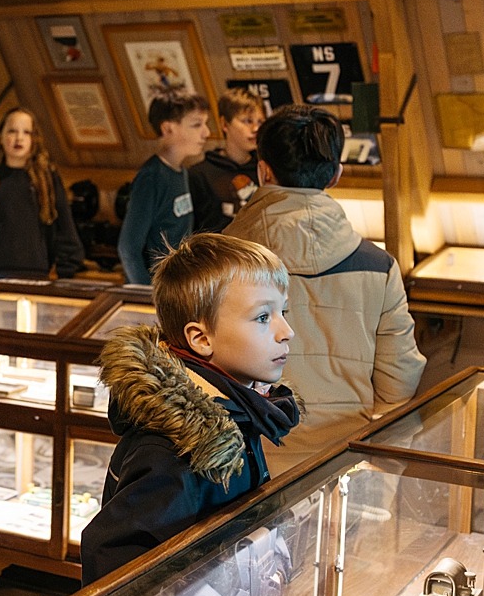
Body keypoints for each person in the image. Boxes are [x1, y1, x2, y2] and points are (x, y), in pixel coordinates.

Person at [81, 233, 300, 585]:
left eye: (283, 311)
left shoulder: (236, 411)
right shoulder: (173, 452)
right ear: (201, 339)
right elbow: (115, 566)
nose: (286, 331)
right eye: (263, 317)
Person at [225, 104, 425, 436]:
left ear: (263, 172)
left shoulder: (218, 260)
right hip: (346, 456)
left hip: (251, 463)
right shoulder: (380, 266)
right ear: (335, 174)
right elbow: (400, 381)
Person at [0, 107, 86, 278]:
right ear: (1, 137)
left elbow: (64, 225)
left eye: (26, 132)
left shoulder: (47, 179)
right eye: (12, 131)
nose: (19, 138)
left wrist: (66, 270)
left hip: (34, 272)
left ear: (34, 139)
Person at [116, 92, 211, 285]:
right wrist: (147, 295)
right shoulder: (151, 177)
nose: (206, 133)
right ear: (168, 128)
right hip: (157, 290)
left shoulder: (181, 171)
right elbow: (128, 248)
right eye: (196, 125)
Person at [188, 88, 263, 234]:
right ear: (224, 124)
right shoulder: (199, 174)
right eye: (247, 121)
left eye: (260, 121)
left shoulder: (266, 168)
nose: (256, 128)